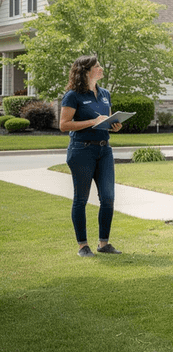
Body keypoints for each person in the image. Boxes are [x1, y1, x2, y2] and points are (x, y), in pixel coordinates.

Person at [58, 55, 124, 257]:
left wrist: (115, 126)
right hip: (81, 150)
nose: (101, 68)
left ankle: (103, 244)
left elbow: (105, 121)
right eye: (97, 66)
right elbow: (63, 125)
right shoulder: (73, 95)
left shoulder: (105, 94)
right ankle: (82, 246)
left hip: (104, 150)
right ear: (86, 71)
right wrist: (92, 121)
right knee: (81, 199)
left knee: (108, 198)